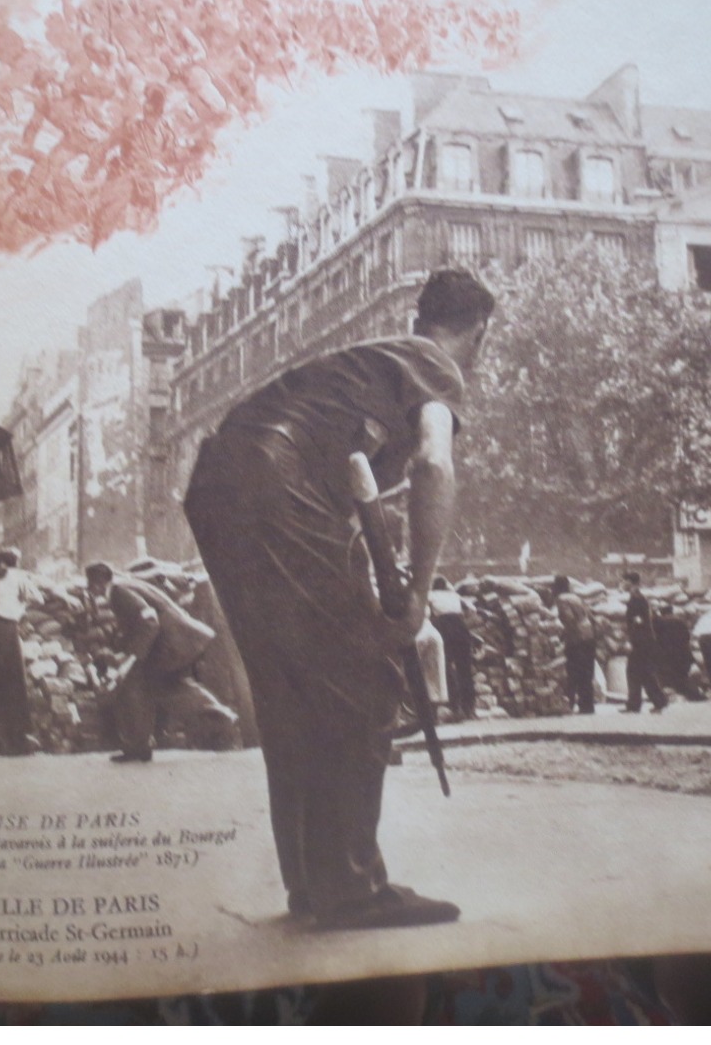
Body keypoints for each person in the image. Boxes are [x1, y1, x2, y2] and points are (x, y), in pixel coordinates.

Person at [184, 268, 494, 930]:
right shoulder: (434, 364)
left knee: (290, 684)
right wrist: (415, 594)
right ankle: (351, 887)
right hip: (273, 476)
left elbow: (350, 494)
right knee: (363, 674)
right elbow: (433, 466)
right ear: (479, 333)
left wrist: (372, 576)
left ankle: (311, 882)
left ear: (417, 314)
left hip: (219, 480)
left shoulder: (371, 362)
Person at [85, 563, 240, 763]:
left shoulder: (117, 591)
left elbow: (148, 621)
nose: (92, 590)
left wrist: (131, 658)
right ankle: (222, 717)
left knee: (132, 686)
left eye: (91, 584)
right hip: (180, 640)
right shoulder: (128, 584)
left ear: (98, 582)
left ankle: (137, 747)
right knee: (173, 686)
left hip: (169, 644)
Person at [0, 548, 44, 756]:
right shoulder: (19, 577)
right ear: (16, 563)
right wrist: (21, 606)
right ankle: (17, 740)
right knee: (14, 682)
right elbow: (38, 598)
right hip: (8, 629)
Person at [427, 577, 476, 720]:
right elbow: (472, 609)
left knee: (446, 668)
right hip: (460, 627)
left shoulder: (431, 595)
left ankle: (455, 707)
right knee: (465, 669)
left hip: (443, 629)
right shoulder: (454, 595)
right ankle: (469, 708)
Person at [622, 573, 668, 714]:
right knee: (642, 672)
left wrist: (632, 641)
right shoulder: (637, 597)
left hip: (641, 642)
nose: (623, 584)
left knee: (638, 672)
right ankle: (650, 702)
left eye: (625, 581)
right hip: (644, 641)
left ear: (632, 583)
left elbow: (638, 621)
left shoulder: (636, 599)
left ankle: (642, 703)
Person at [553, 575, 598, 715]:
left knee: (573, 673)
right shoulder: (576, 597)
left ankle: (570, 704)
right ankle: (587, 706)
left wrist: (561, 636)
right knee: (587, 673)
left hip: (576, 639)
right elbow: (590, 616)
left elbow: (569, 619)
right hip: (589, 636)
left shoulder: (561, 600)